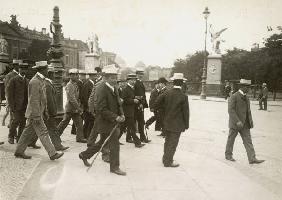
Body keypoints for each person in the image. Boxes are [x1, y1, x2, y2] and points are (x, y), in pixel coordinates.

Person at [79, 65, 126, 176]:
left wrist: (122, 114)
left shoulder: (114, 87)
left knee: (101, 143)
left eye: (115, 77)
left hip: (112, 121)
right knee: (114, 145)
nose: (115, 79)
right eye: (112, 77)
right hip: (105, 122)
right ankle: (115, 167)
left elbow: (118, 104)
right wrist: (115, 117)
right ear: (106, 77)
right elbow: (101, 109)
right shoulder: (101, 88)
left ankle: (84, 155)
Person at [14, 61, 64, 160]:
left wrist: (44, 112)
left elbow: (42, 100)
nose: (47, 70)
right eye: (46, 69)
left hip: (36, 113)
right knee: (43, 132)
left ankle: (19, 151)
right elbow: (34, 100)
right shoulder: (35, 82)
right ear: (42, 69)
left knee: (27, 133)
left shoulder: (40, 80)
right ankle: (52, 153)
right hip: (34, 114)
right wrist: (37, 115)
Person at [225, 79, 265, 164]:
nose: (249, 89)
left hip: (245, 124)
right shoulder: (234, 96)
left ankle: (252, 158)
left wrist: (250, 121)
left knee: (248, 141)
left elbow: (248, 111)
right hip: (236, 123)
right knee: (231, 139)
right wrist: (237, 121)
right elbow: (230, 110)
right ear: (243, 87)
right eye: (248, 87)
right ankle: (228, 155)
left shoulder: (246, 97)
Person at [155, 73, 189, 167]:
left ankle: (165, 158)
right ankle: (168, 161)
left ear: (173, 82)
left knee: (167, 141)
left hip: (166, 122)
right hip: (177, 124)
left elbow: (156, 104)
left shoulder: (166, 92)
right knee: (173, 143)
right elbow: (186, 112)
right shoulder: (183, 96)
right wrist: (186, 125)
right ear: (182, 83)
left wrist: (164, 113)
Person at [57, 69, 87, 143]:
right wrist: (78, 108)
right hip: (70, 108)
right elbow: (72, 99)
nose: (77, 76)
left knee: (79, 123)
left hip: (74, 109)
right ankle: (55, 136)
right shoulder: (70, 85)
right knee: (64, 123)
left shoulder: (74, 84)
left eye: (77, 75)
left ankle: (80, 138)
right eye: (74, 75)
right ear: (70, 76)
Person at [44, 66, 69, 151]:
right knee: (52, 129)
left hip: (46, 112)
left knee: (35, 129)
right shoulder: (47, 84)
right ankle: (58, 146)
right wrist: (52, 112)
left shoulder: (49, 83)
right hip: (49, 112)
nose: (55, 75)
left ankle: (30, 142)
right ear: (50, 74)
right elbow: (49, 100)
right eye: (54, 73)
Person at [7, 62, 29, 144]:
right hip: (16, 106)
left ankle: (19, 138)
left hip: (24, 106)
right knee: (15, 121)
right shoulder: (13, 80)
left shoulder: (27, 81)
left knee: (23, 122)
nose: (23, 71)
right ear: (19, 69)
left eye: (25, 69)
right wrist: (12, 106)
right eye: (22, 69)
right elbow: (10, 95)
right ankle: (11, 136)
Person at [121, 73, 145, 148]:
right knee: (132, 128)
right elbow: (124, 100)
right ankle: (137, 143)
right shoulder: (126, 89)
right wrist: (133, 100)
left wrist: (138, 99)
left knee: (123, 128)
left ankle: (114, 140)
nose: (133, 81)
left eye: (134, 79)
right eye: (131, 80)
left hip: (131, 111)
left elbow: (132, 97)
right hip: (127, 111)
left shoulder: (132, 88)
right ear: (128, 80)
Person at [134, 69, 150, 143]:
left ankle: (142, 137)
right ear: (137, 75)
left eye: (142, 74)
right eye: (139, 74)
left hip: (140, 105)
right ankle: (142, 137)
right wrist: (140, 104)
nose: (141, 76)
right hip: (138, 105)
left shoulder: (140, 82)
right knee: (140, 121)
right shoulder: (137, 83)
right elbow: (139, 95)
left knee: (139, 121)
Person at [71, 69, 87, 135]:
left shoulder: (81, 82)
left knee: (78, 117)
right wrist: (81, 102)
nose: (84, 77)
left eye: (84, 75)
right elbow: (79, 93)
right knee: (79, 116)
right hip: (79, 102)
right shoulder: (79, 83)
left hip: (79, 102)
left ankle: (74, 131)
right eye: (83, 75)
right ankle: (75, 131)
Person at [81, 69, 96, 139]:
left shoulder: (93, 83)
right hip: (87, 107)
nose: (95, 77)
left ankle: (87, 135)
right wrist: (87, 107)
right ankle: (86, 135)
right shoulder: (87, 84)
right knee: (88, 122)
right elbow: (84, 96)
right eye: (94, 76)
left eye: (95, 75)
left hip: (91, 106)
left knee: (90, 121)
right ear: (90, 76)